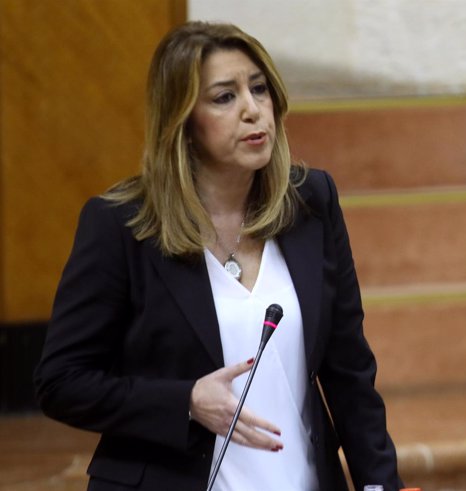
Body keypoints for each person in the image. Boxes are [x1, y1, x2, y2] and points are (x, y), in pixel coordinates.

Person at [34, 21, 403, 491]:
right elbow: (62, 382)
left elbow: (349, 369)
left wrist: (380, 485)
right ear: (182, 121)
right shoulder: (122, 226)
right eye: (224, 97)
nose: (253, 111)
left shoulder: (311, 204)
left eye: (259, 88)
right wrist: (185, 400)